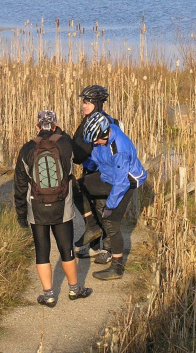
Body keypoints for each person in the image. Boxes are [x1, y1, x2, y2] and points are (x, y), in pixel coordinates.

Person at [14, 110, 92, 307]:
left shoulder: (27, 149)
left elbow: (20, 185)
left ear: (37, 126)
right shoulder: (64, 144)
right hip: (61, 205)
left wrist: (21, 214)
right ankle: (75, 289)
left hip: (37, 206)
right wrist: (63, 135)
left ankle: (48, 295)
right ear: (55, 125)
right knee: (66, 248)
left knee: (42, 250)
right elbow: (82, 156)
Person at [80, 111, 147, 280]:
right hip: (109, 174)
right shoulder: (101, 137)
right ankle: (93, 226)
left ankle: (116, 268)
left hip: (126, 181)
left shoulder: (119, 149)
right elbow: (97, 159)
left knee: (112, 223)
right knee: (77, 186)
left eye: (96, 140)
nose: (94, 143)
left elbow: (121, 183)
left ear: (104, 133)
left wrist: (110, 205)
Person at [71, 85, 121, 265]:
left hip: (104, 171)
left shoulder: (107, 122)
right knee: (90, 206)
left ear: (98, 103)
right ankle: (93, 244)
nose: (84, 106)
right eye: (83, 102)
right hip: (89, 168)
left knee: (103, 208)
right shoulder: (85, 121)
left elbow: (85, 149)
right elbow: (78, 145)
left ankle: (107, 249)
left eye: (88, 103)